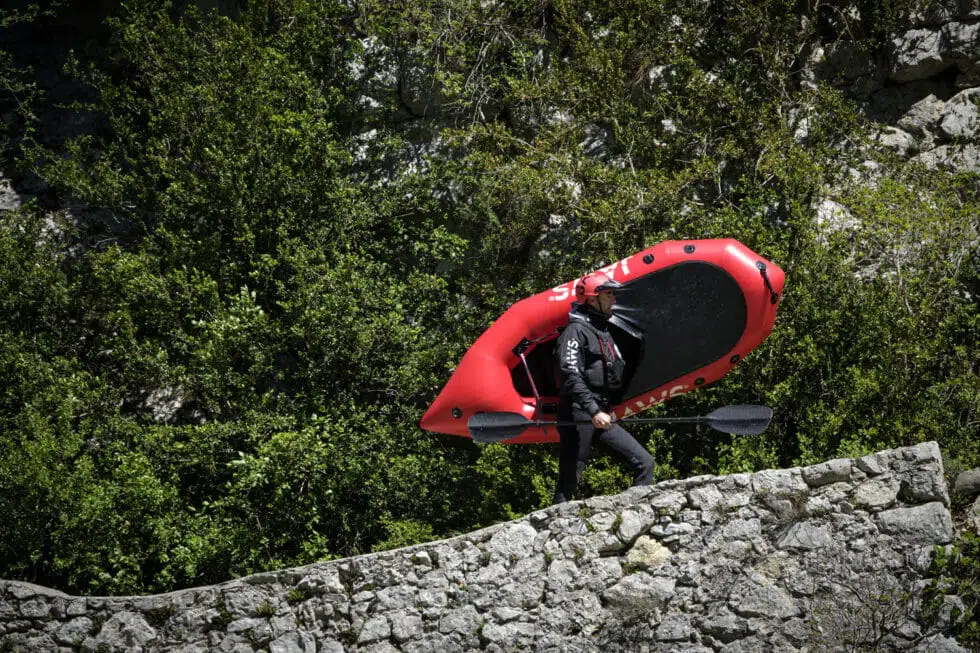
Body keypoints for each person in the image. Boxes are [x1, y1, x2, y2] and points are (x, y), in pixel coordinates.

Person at [552, 270, 655, 503]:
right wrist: (593, 410)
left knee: (645, 463)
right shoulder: (574, 331)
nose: (614, 300)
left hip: (600, 412)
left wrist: (604, 409)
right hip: (578, 413)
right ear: (591, 299)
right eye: (608, 295)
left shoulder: (602, 330)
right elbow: (569, 374)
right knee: (569, 480)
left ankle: (633, 519)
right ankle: (556, 533)